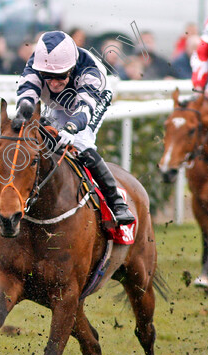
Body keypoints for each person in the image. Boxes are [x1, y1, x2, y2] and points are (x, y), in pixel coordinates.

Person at [15, 31, 135, 226]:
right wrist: (23, 113)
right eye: (47, 76)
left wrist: (70, 129)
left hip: (89, 101)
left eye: (60, 76)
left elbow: (84, 110)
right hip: (58, 103)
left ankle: (117, 202)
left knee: (80, 142)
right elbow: (26, 96)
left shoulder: (90, 72)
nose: (53, 83)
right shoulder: (37, 62)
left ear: (71, 69)